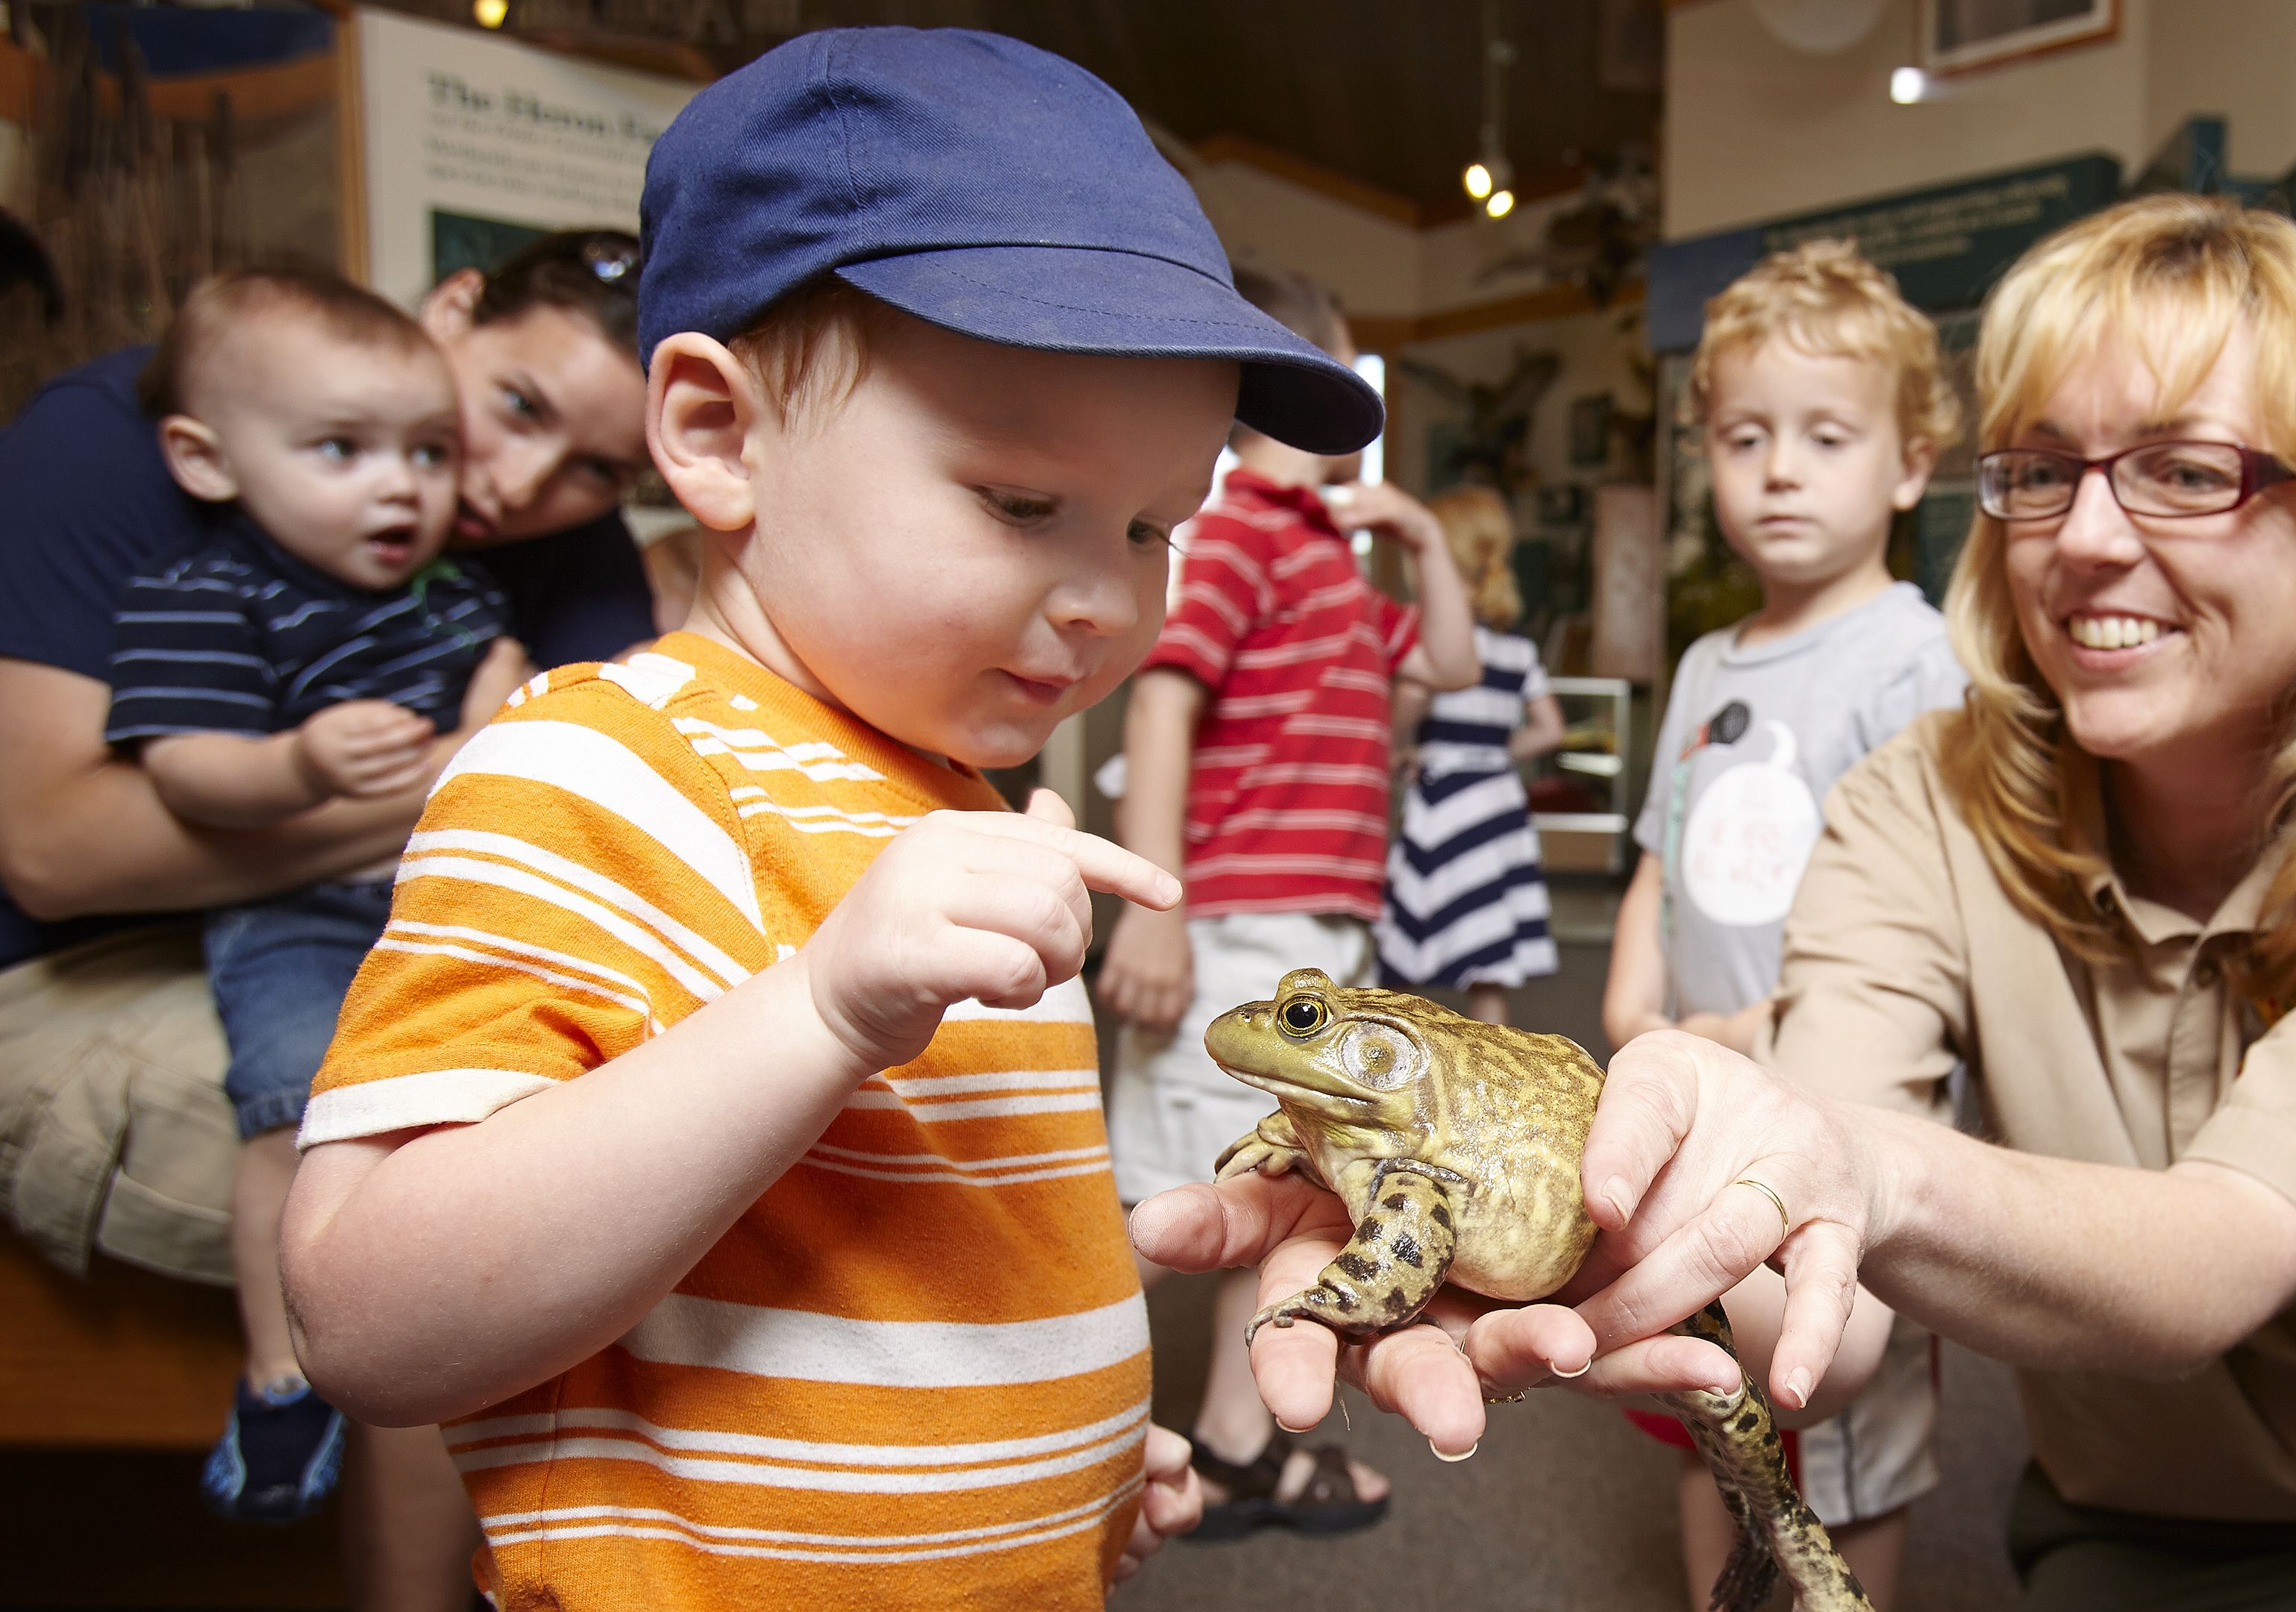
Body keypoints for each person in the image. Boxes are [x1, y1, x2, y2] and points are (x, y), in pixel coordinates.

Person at [1137, 195, 2296, 1609]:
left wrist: (1852, 1162)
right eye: (2040, 467)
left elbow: (2206, 1259)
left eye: (2186, 469)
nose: (2083, 540)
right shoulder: (1914, 801)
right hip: (2158, 1533)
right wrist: (1614, 1218)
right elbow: (1851, 1296)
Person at [278, 29, 1389, 1608]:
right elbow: (365, 1316)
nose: (1101, 598)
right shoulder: (598, 766)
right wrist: (816, 1008)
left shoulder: (951, 790)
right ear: (720, 434)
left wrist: (1048, 1442)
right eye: (1020, 501)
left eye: (1155, 526)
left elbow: (899, 1256)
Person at [0, 227, 652, 1610]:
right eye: (518, 404)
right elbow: (56, 849)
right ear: (452, 308)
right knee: (445, 1184)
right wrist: (450, 775)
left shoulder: (577, 546)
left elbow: (577, 819)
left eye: (597, 468)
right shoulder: (119, 441)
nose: (518, 486)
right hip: (83, 956)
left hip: (386, 930)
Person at [104, 267, 522, 1523]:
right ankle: (280, 1374)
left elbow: (499, 678)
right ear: (207, 459)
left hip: (434, 898)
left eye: (428, 452)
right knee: (287, 1116)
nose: (401, 486)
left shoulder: (449, 591)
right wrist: (292, 764)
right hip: (292, 914)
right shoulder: (207, 596)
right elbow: (179, 767)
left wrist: (503, 692)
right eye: (342, 449)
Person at [1598, 237, 1968, 1611]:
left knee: (1846, 1426)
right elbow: (1665, 853)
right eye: (1746, 437)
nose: (1782, 470)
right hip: (1704, 1106)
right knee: (1709, 1399)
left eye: (1827, 435)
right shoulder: (1705, 659)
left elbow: (1933, 904)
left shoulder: (1911, 658)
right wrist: (1636, 1009)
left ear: (1910, 465)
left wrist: (1767, 1027)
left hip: (1844, 1114)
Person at [1095, 260, 1480, 1537]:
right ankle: (1038, 1434)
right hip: (1231, 913)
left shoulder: (1326, 549)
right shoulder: (1244, 522)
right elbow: (1164, 692)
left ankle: (1236, 1446)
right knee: (1181, 1199)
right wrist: (1156, 904)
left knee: (1270, 1185)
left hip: (1312, 926)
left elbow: (1451, 660)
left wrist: (1420, 535)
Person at [1373, 486, 1563, 1026]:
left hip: (1446, 803)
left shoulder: (1437, 643)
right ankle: (1490, 1080)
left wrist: (1417, 748)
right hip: (1497, 800)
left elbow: (1399, 719)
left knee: (1403, 947)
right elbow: (1550, 729)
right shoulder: (1519, 649)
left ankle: (1386, 1047)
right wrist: (1494, 752)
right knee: (1489, 953)